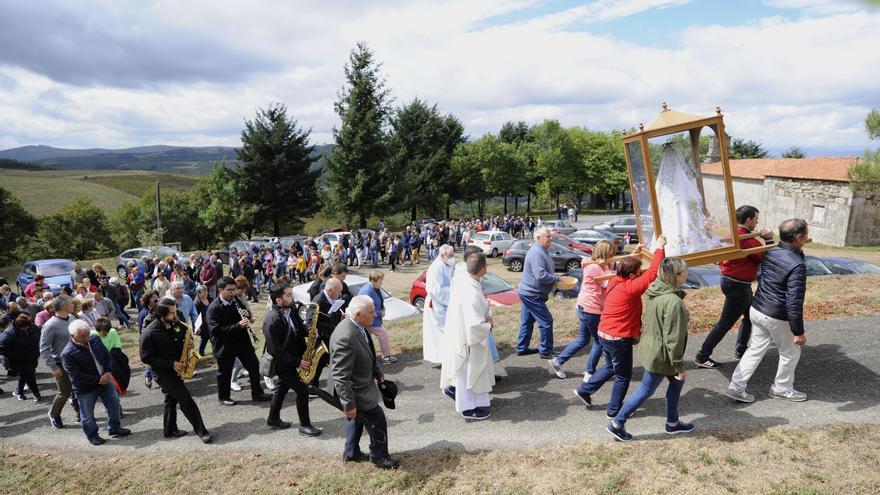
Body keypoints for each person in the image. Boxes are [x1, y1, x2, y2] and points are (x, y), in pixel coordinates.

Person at [574, 236, 666, 418]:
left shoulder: (616, 279)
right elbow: (653, 272)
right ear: (632, 276)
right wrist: (659, 248)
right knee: (623, 375)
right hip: (618, 338)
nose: (641, 274)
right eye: (639, 272)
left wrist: (637, 253)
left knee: (611, 367)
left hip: (604, 333)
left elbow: (627, 266)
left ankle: (585, 390)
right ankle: (614, 410)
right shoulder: (630, 288)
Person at [606, 257, 695, 441]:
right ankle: (617, 424)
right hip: (662, 355)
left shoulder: (656, 290)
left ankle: (672, 422)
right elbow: (673, 339)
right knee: (646, 390)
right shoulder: (673, 302)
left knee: (676, 383)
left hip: (652, 347)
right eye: (684, 272)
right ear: (676, 276)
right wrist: (678, 366)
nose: (687, 274)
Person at [726, 219, 810, 403]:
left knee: (755, 349)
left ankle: (736, 387)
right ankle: (782, 388)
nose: (808, 237)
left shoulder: (772, 252)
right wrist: (798, 332)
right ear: (798, 238)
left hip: (758, 309)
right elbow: (794, 301)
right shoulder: (797, 265)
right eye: (806, 235)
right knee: (790, 352)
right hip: (777, 315)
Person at [696, 205, 775, 368]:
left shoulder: (732, 235)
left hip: (732, 282)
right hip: (738, 286)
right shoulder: (747, 240)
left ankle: (741, 349)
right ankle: (702, 356)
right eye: (756, 219)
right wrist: (769, 239)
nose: (757, 222)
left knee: (750, 316)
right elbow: (768, 259)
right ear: (748, 220)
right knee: (725, 323)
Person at [329, 295, 399, 469]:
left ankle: (351, 453)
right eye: (371, 312)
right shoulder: (345, 337)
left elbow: (366, 350)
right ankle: (380, 457)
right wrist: (349, 405)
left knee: (357, 420)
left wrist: (377, 372)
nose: (374, 315)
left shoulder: (358, 325)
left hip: (361, 385)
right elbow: (340, 375)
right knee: (377, 418)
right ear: (359, 314)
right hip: (356, 391)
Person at [140, 298, 213, 443]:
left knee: (170, 399)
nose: (176, 315)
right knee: (185, 399)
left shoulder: (176, 324)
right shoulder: (149, 333)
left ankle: (169, 430)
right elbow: (146, 358)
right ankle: (201, 431)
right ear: (162, 315)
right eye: (172, 313)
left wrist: (189, 342)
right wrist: (170, 363)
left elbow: (182, 335)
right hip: (162, 372)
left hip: (177, 368)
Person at [550, 240, 616, 380]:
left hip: (584, 307)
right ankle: (590, 372)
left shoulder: (592, 264)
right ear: (604, 254)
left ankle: (558, 361)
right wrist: (608, 268)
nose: (612, 258)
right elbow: (608, 283)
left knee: (583, 339)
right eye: (610, 255)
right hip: (591, 309)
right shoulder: (595, 268)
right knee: (599, 342)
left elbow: (615, 266)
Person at [440, 252, 494, 420]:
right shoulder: (471, 292)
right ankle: (468, 408)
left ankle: (459, 392)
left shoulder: (466, 280)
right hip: (466, 340)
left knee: (466, 374)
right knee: (467, 373)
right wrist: (488, 325)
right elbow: (474, 325)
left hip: (459, 333)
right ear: (483, 269)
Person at [263, 284, 322, 436]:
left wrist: (309, 331)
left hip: (293, 357)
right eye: (288, 295)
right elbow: (274, 350)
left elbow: (297, 327)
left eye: (291, 294)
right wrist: (297, 362)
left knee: (281, 388)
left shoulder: (292, 309)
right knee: (302, 390)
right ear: (278, 300)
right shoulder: (271, 320)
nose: (292, 297)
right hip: (283, 363)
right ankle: (304, 425)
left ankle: (273, 418)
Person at [61, 320, 131, 446]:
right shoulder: (67, 354)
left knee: (114, 404)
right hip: (85, 388)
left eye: (87, 334)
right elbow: (76, 376)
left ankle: (115, 428)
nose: (87, 338)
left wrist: (108, 372)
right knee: (87, 415)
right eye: (82, 336)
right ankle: (92, 435)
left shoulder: (95, 340)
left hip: (105, 381)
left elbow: (107, 357)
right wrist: (98, 379)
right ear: (72, 336)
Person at [206, 277, 271, 406]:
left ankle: (257, 393)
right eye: (229, 290)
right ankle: (224, 397)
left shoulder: (235, 300)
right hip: (224, 344)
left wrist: (245, 314)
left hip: (241, 341)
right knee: (224, 372)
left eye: (234, 289)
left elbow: (242, 314)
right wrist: (238, 325)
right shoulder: (213, 308)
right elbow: (215, 330)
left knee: (253, 366)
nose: (232, 293)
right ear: (220, 290)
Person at [516, 226, 560, 359]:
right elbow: (540, 275)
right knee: (546, 321)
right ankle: (546, 351)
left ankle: (522, 348)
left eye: (550, 236)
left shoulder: (541, 250)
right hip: (532, 294)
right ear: (539, 238)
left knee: (527, 321)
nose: (550, 239)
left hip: (528, 292)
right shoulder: (537, 252)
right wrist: (556, 278)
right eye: (548, 236)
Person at [39, 296, 82, 428]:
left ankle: (80, 413)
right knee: (64, 392)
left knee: (77, 389)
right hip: (60, 364)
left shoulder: (72, 318)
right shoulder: (50, 325)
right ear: (64, 306)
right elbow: (44, 348)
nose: (73, 305)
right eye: (70, 303)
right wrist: (53, 367)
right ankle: (54, 414)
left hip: (75, 361)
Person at [307, 278, 346, 388]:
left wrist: (340, 318)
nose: (340, 294)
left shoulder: (333, 299)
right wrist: (332, 326)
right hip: (323, 339)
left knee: (328, 363)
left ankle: (326, 387)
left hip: (331, 336)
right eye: (338, 291)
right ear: (329, 290)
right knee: (320, 364)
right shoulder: (318, 300)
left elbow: (331, 315)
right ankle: (313, 387)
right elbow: (311, 322)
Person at [422, 245, 455, 365]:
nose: (453, 258)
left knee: (447, 333)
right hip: (437, 306)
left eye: (453, 255)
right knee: (439, 334)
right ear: (442, 255)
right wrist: (451, 298)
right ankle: (443, 359)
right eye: (450, 255)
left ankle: (448, 358)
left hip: (446, 305)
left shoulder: (448, 265)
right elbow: (435, 290)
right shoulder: (436, 268)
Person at [0, 313, 42, 402]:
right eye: (25, 327)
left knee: (25, 375)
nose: (27, 329)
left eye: (28, 326)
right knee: (30, 376)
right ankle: (36, 394)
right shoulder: (8, 334)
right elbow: (2, 349)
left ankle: (19, 391)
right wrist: (16, 356)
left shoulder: (32, 327)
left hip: (32, 357)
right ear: (19, 326)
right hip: (20, 360)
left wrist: (37, 351)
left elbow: (39, 337)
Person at [358, 271, 397, 364]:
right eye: (380, 282)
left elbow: (378, 300)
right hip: (370, 320)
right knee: (383, 334)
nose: (381, 283)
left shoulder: (374, 288)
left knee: (364, 339)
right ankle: (386, 356)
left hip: (371, 319)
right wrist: (380, 313)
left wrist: (382, 308)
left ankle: (362, 358)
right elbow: (366, 310)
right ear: (372, 281)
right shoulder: (366, 292)